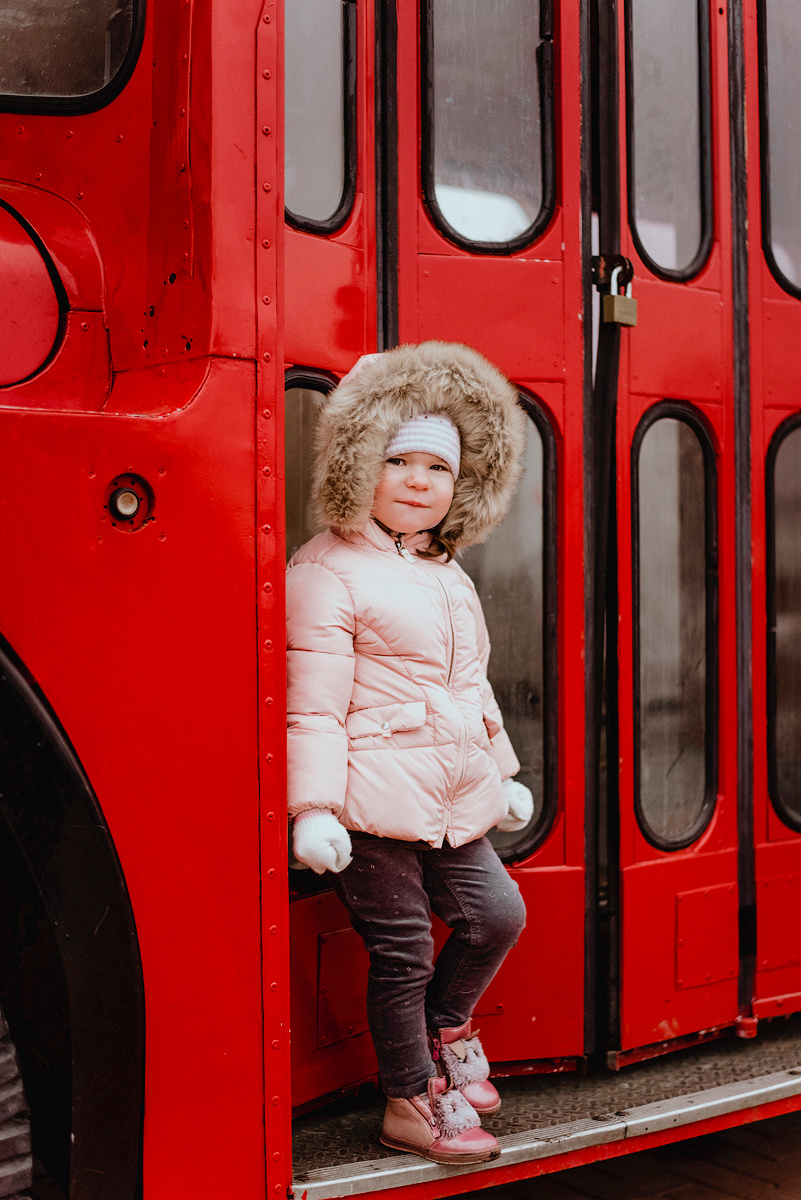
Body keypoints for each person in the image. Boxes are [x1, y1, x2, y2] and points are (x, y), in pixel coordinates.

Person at [287, 342, 534, 1165]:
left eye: (438, 468)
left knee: (497, 915)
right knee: (403, 952)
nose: (419, 481)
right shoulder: (325, 571)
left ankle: (444, 1028)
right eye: (398, 461)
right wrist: (313, 809)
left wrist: (502, 772)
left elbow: (470, 687)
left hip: (448, 794)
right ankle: (409, 1100)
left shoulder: (444, 571)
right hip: (367, 804)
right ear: (360, 465)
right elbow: (311, 704)